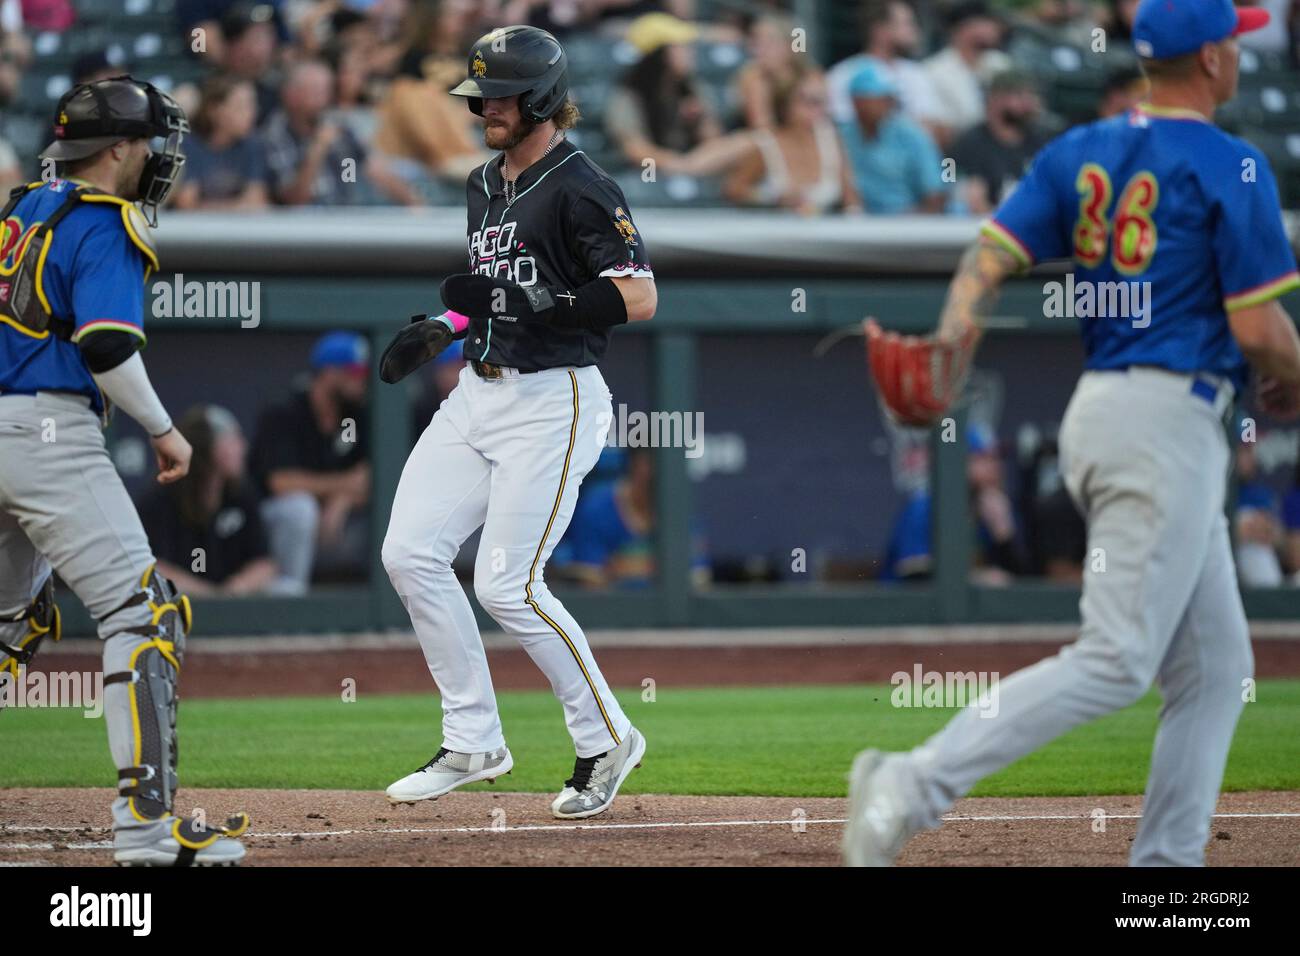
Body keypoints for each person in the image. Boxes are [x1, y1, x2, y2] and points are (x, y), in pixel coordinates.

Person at [847, 0, 1300, 867]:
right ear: (1211, 59)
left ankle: (1167, 870)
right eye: (1233, 40)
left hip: (1115, 410)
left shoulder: (1079, 150)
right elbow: (1262, 331)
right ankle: (911, 783)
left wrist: (952, 346)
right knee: (1118, 661)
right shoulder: (1231, 164)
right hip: (1165, 420)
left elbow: (987, 258)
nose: (1241, 52)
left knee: (1212, 670)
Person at [379, 26, 655, 820]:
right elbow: (497, 294)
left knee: (507, 583)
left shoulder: (581, 183)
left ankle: (607, 738)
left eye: (495, 97)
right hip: (478, 392)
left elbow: (639, 295)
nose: (482, 110)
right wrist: (446, 325)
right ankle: (473, 739)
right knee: (409, 553)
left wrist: (563, 303)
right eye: (478, 96)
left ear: (538, 97)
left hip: (553, 398)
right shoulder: (483, 183)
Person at [0, 77, 246, 864]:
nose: (156, 156)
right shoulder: (107, 220)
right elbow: (106, 346)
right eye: (147, 142)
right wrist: (168, 434)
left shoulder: (16, 209)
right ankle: (147, 831)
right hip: (47, 433)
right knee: (146, 616)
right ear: (116, 149)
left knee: (12, 621)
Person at [250, 331, 371, 595]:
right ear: (329, 373)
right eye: (354, 372)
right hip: (271, 524)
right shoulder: (285, 411)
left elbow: (372, 475)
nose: (361, 380)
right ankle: (292, 598)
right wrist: (344, 485)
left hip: (335, 522)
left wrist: (344, 499)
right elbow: (282, 483)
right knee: (300, 509)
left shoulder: (357, 413)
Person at [138, 405, 277, 595]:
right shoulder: (160, 499)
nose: (242, 447)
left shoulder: (241, 495)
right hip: (177, 606)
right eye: (233, 439)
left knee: (287, 589)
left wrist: (235, 589)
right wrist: (207, 596)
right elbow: (152, 568)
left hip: (235, 605)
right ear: (209, 446)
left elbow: (264, 563)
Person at [261, 58, 420, 206]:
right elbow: (295, 200)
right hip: (302, 226)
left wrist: (414, 203)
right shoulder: (275, 134)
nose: (324, 99)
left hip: (344, 219)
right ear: (291, 95)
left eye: (326, 91)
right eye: (316, 92)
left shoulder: (338, 127)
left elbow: (374, 170)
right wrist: (318, 149)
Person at [724, 68, 860, 215]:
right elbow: (734, 190)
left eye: (822, 102)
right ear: (785, 105)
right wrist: (770, 198)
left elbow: (850, 199)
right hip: (775, 232)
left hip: (826, 233)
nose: (818, 109)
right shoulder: (766, 146)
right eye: (809, 101)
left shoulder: (832, 141)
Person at [604, 13, 722, 168]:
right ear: (660, 55)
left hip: (697, 166)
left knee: (750, 144)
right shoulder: (627, 96)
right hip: (651, 175)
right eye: (681, 47)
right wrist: (682, 165)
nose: (690, 53)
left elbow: (715, 142)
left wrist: (698, 122)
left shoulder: (692, 87)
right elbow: (635, 150)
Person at [839, 60, 947, 214]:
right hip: (853, 224)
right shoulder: (841, 135)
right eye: (879, 97)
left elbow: (935, 192)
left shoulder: (911, 134)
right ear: (857, 101)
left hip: (906, 224)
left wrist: (915, 224)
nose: (887, 103)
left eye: (888, 97)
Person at [827, 1, 944, 140]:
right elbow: (843, 131)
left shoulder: (917, 73)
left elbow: (934, 128)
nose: (914, 30)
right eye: (906, 23)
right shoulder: (843, 74)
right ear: (880, 30)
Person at [950, 69, 1051, 215]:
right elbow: (948, 178)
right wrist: (961, 190)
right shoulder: (968, 143)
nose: (1027, 103)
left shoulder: (1040, 141)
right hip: (982, 226)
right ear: (994, 99)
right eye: (1019, 95)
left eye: (1029, 96)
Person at [173, 73, 269, 209]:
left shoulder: (253, 144)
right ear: (214, 111)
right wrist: (239, 207)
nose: (251, 113)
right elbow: (187, 204)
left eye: (253, 105)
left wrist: (210, 207)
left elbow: (257, 201)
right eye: (241, 106)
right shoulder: (186, 144)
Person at [922, 1, 1011, 141]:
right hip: (957, 153)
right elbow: (939, 130)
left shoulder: (1001, 64)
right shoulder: (934, 71)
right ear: (965, 28)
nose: (996, 28)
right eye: (987, 22)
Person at [732, 12, 804, 130]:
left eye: (770, 42)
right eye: (757, 43)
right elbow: (763, 129)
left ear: (791, 45)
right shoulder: (754, 78)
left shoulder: (806, 77)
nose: (760, 50)